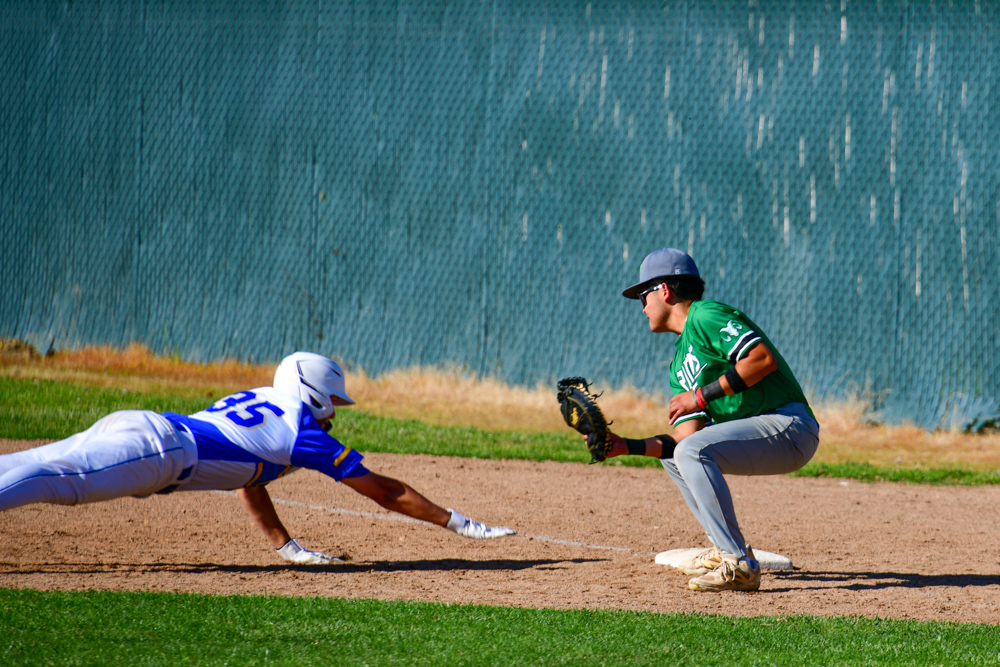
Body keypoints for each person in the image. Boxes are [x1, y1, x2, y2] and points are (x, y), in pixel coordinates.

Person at [0, 351, 515, 563]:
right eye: (333, 401)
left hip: (144, 428)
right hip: (157, 451)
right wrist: (461, 524)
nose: (334, 413)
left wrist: (287, 548)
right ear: (314, 392)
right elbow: (386, 491)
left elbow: (250, 478)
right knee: (57, 481)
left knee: (32, 463)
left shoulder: (266, 401)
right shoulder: (302, 430)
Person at [607, 247, 819, 592]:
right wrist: (621, 446)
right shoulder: (680, 364)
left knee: (691, 451)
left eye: (643, 296)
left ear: (665, 290)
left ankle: (738, 564)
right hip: (763, 433)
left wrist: (699, 396)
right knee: (678, 455)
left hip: (790, 425)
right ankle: (725, 551)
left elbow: (761, 359)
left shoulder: (705, 315)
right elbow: (683, 439)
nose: (642, 307)